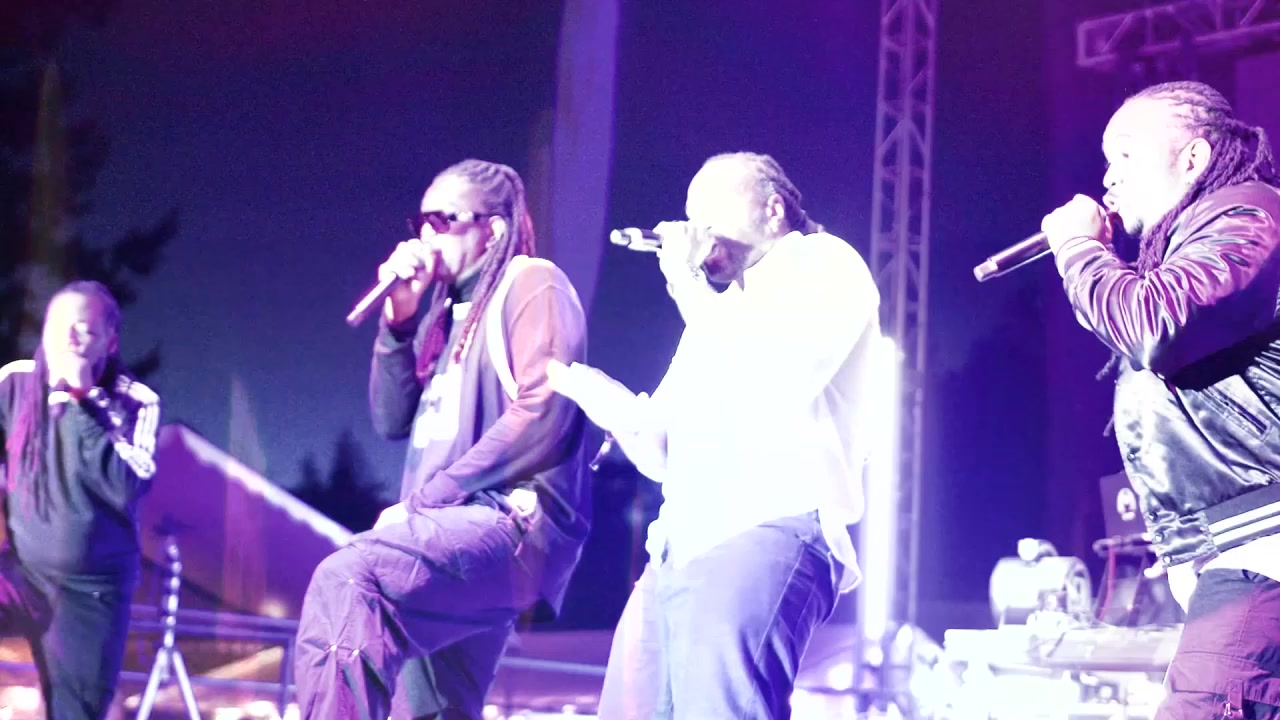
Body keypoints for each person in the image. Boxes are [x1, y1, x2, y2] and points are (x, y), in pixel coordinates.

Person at [549, 152, 881, 718]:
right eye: (690, 214)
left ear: (773, 210)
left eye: (710, 210)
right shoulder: (718, 315)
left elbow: (777, 374)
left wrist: (686, 282)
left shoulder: (825, 263)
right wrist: (607, 402)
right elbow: (662, 452)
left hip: (766, 525)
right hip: (675, 548)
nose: (696, 228)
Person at [293, 159, 591, 719]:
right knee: (432, 710)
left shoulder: (531, 282)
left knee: (352, 581)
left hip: (507, 522)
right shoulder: (445, 316)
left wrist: (424, 503)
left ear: (493, 229)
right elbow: (391, 418)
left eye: (442, 220)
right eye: (419, 221)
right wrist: (398, 321)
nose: (424, 235)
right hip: (447, 532)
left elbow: (544, 409)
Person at [1042, 80, 1280, 717]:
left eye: (1125, 154)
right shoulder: (1204, 236)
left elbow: (1155, 325)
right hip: (1237, 550)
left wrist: (1078, 250)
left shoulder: (1250, 215)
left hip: (1263, 548)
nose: (1107, 177)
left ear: (1193, 158)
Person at [0, 280, 161, 720]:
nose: (69, 338)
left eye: (85, 329)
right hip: (22, 572)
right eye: (58, 326)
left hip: (91, 591)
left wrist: (83, 400)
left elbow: (127, 485)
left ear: (110, 342)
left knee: (76, 711)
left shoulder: (134, 401)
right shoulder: (14, 381)